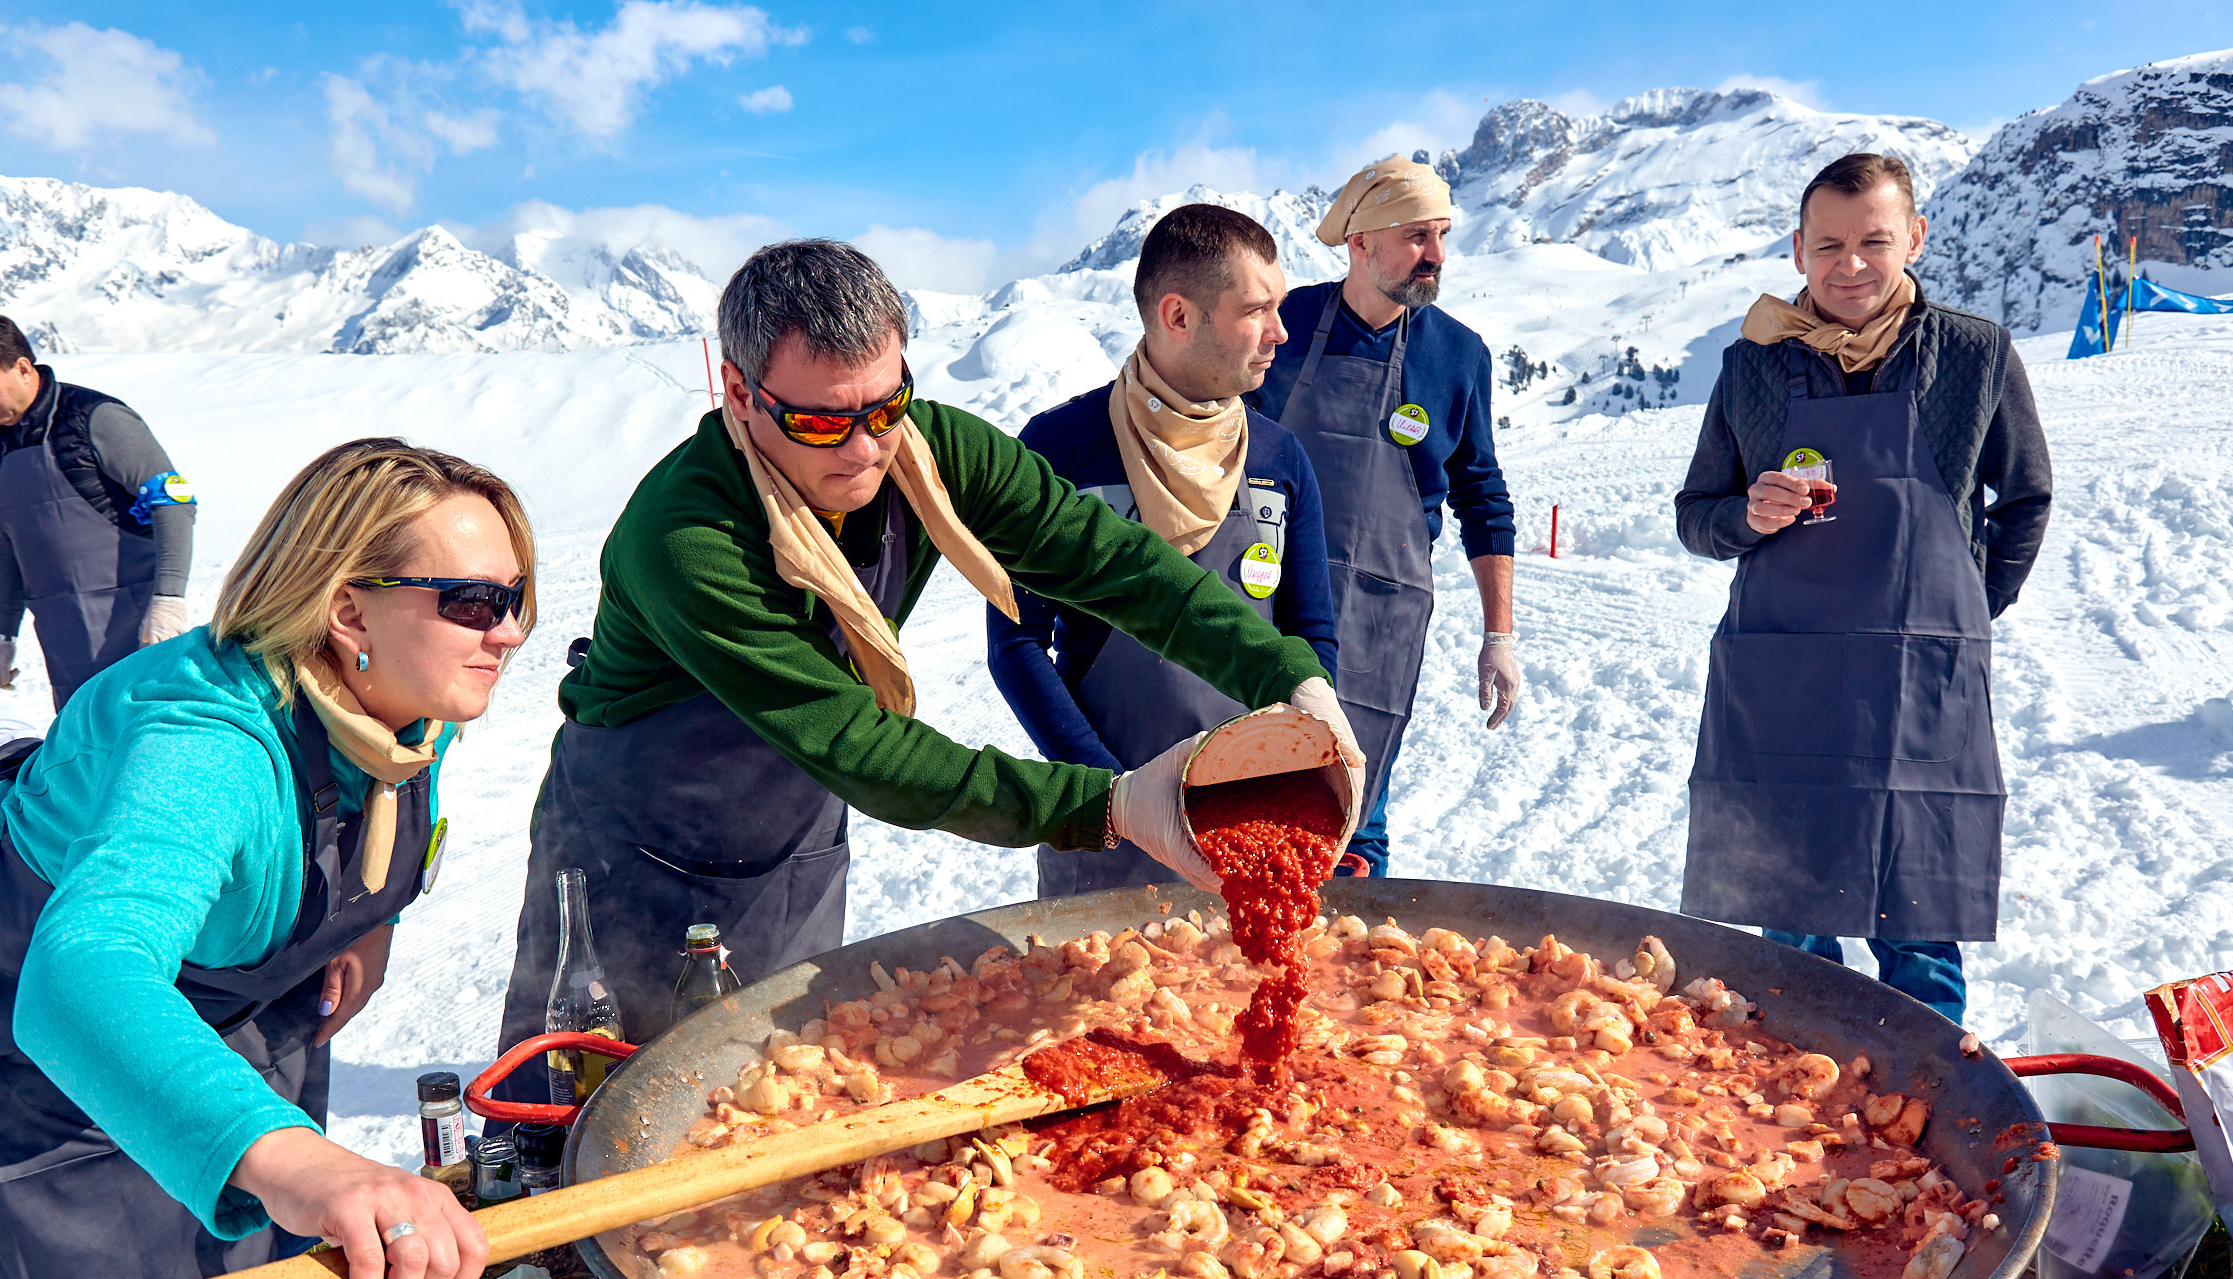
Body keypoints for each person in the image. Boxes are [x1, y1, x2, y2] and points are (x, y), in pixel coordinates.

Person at [495, 238, 1359, 1074]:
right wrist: (1111, 803)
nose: (867, 449)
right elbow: (861, 746)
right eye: (822, 421)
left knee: (766, 1087)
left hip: (792, 835)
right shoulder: (687, 537)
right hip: (634, 865)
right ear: (737, 391)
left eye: (885, 406)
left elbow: (1118, 566)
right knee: (603, 1107)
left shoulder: (932, 450)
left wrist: (1289, 676)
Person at [0, 439, 523, 1279]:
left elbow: (392, 801)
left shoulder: (405, 697)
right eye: (469, 600)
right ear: (348, 612)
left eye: (512, 594)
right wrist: (310, 1164)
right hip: (54, 1034)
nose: (506, 629)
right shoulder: (204, 741)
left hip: (232, 997)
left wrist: (364, 924)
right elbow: (82, 976)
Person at [1674, 153, 2053, 1024]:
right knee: (1791, 927)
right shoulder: (1752, 365)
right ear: (1799, 250)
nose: (1850, 264)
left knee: (1917, 919)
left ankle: (1937, 1124)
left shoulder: (1973, 353)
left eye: (1873, 242)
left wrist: (1959, 617)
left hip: (1920, 680)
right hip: (1784, 677)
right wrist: (1746, 515)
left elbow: (2024, 497)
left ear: (1913, 239)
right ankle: (1792, 1115)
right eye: (1828, 245)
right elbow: (1697, 514)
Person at [989, 204, 1340, 895]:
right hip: (1103, 823)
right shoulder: (1061, 450)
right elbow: (1016, 642)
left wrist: (1295, 764)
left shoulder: (1278, 458)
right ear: (1178, 316)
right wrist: (1110, 795)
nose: (1280, 331)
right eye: (1256, 309)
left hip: (1244, 820)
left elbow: (1309, 633)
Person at [1250, 155, 1521, 877]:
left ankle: (1351, 975)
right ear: (1359, 243)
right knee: (1252, 806)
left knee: (1356, 813)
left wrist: (1499, 635)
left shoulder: (1458, 355)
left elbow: (1482, 496)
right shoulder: (1283, 326)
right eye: (1415, 237)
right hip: (1264, 600)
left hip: (1382, 615)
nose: (1435, 255)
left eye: (1441, 235)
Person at [0, 312, 198, 708]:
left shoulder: (94, 417)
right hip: (63, 640)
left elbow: (173, 502)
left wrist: (169, 599)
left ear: (21, 368)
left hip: (136, 630)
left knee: (143, 738)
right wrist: (4, 635)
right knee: (84, 748)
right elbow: (7, 539)